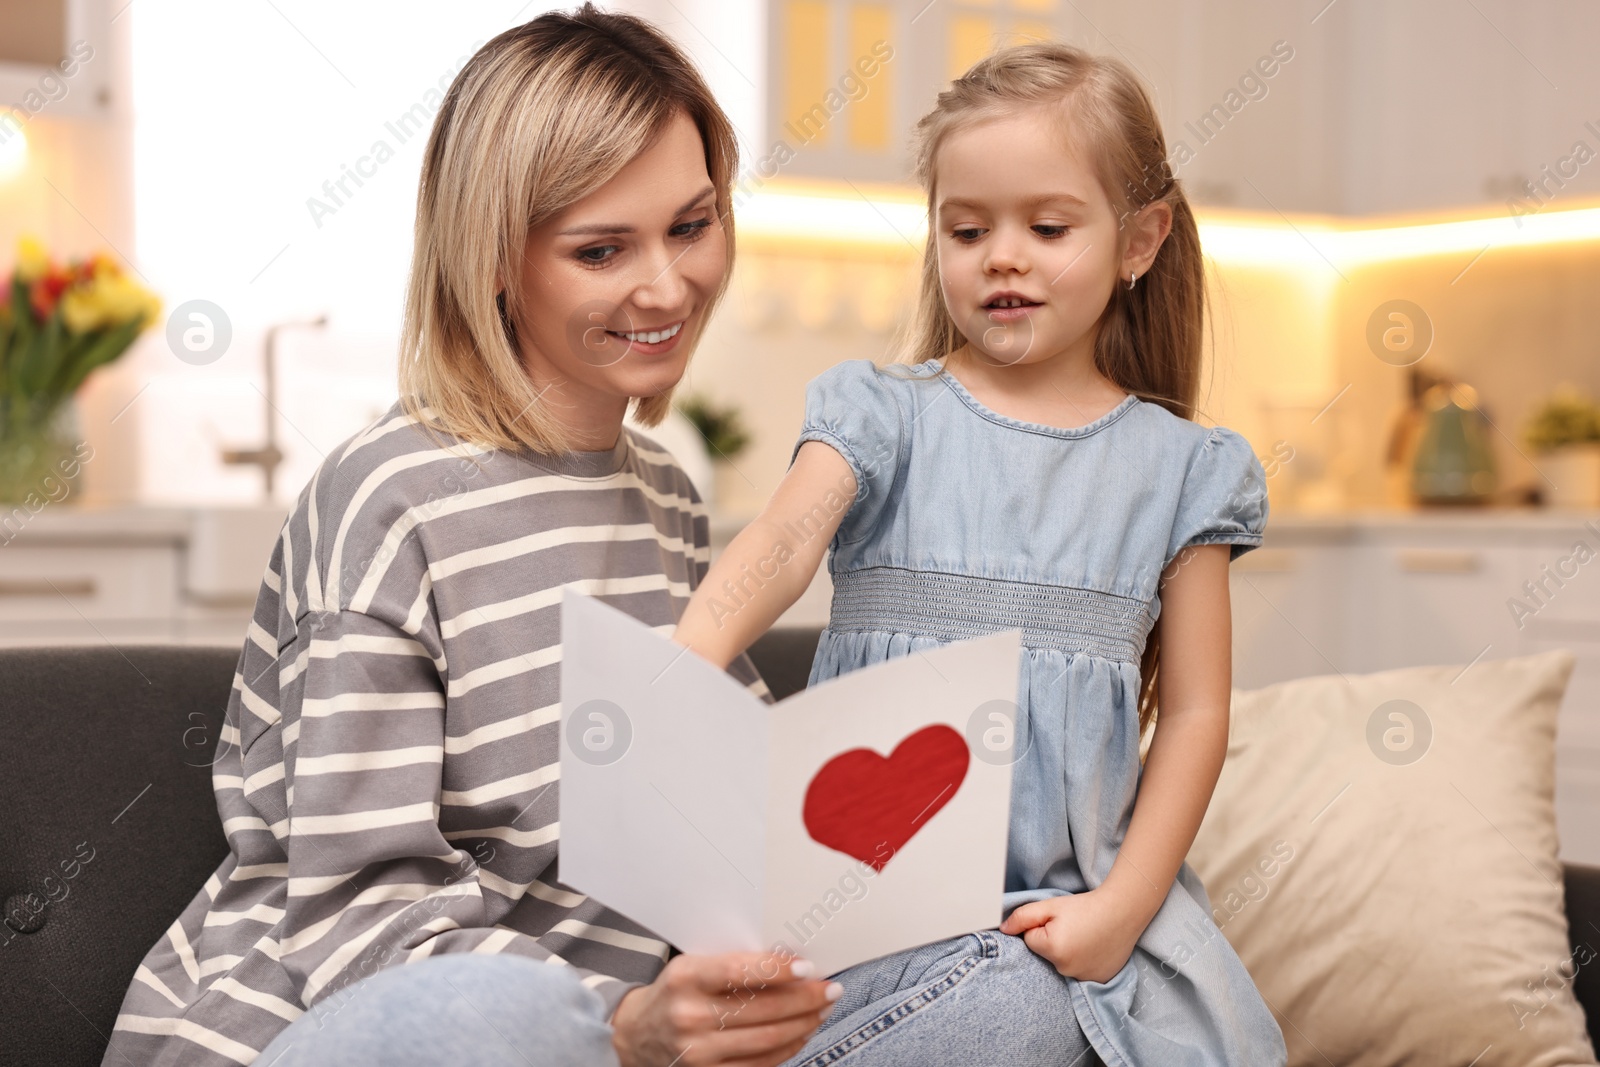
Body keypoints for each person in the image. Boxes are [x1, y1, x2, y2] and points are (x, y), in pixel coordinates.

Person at [102, 7, 844, 1066]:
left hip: (590, 1040)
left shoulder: (670, 506)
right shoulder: (388, 501)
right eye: (601, 249)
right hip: (315, 1033)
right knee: (512, 1015)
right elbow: (357, 920)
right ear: (496, 259)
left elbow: (723, 819)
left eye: (692, 225)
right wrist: (620, 1025)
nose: (668, 287)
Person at [672, 42, 1291, 1067]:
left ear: (1139, 238)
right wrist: (683, 663)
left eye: (1046, 227)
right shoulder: (879, 415)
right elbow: (781, 541)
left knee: (1025, 1001)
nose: (1002, 255)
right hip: (855, 907)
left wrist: (1121, 909)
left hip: (1049, 922)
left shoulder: (1185, 471)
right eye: (967, 229)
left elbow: (1194, 713)